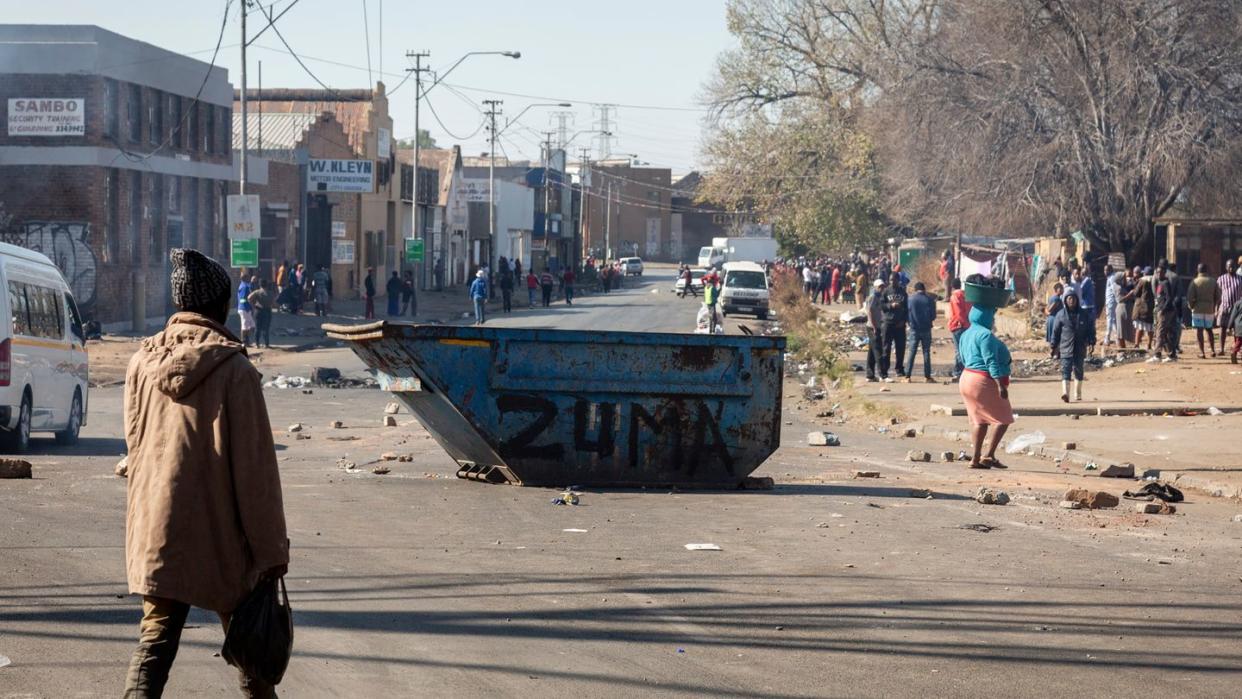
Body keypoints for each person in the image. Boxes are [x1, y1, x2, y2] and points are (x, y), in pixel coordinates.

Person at [123, 248, 288, 696]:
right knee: (253, 651)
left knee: (153, 646)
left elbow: (135, 449)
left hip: (159, 529)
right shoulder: (236, 372)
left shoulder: (141, 364)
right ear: (218, 307)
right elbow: (256, 475)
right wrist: (272, 553)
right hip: (222, 539)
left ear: (180, 305)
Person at [958, 304, 1014, 469]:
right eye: (992, 316)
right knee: (1004, 417)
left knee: (979, 420)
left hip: (966, 377)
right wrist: (1000, 385)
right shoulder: (985, 335)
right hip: (982, 380)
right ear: (986, 317)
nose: (993, 320)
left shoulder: (966, 333)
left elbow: (961, 357)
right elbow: (990, 360)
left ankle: (975, 459)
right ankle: (988, 455)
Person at [1051, 289, 1094, 402]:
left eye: (1073, 298)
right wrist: (1053, 345)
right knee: (1066, 369)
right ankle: (1065, 393)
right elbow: (1056, 332)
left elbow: (1090, 330)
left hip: (1079, 347)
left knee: (1079, 370)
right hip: (1065, 347)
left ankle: (1077, 393)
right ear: (1065, 300)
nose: (1071, 300)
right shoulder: (1060, 315)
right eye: (1069, 298)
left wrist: (1091, 341)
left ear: (1077, 300)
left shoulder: (1084, 314)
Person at [879, 272, 909, 382]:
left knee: (900, 348)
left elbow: (907, 308)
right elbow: (881, 305)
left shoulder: (902, 292)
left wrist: (904, 321)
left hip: (900, 324)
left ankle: (899, 369)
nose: (893, 282)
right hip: (888, 323)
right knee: (886, 348)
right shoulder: (886, 291)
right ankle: (884, 371)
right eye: (891, 280)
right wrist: (890, 305)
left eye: (894, 280)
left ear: (898, 280)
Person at [905, 281, 937, 382]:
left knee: (912, 352)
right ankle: (927, 376)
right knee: (926, 352)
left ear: (915, 289)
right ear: (924, 289)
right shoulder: (930, 299)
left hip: (914, 329)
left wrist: (910, 323)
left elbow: (907, 313)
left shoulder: (910, 299)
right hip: (926, 329)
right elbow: (933, 316)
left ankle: (907, 376)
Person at [1187, 263, 1219, 358]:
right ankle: (1213, 350)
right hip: (1209, 309)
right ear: (1207, 270)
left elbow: (1190, 297)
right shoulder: (1213, 281)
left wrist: (1191, 306)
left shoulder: (1195, 282)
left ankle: (1202, 352)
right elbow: (1218, 296)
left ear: (1198, 270)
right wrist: (1214, 306)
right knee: (1209, 330)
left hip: (1197, 309)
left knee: (1199, 331)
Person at [1150, 264, 1179, 362]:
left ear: (1164, 272)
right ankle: (1171, 355)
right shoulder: (1159, 282)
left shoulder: (1165, 283)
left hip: (1166, 311)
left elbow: (1169, 298)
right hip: (1161, 310)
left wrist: (1163, 309)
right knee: (1166, 333)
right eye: (1157, 272)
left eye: (1160, 272)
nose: (1158, 274)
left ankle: (1157, 355)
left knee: (1160, 332)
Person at [947, 278, 971, 381]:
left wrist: (963, 323)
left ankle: (960, 372)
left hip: (958, 325)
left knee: (959, 350)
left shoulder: (955, 296)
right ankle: (959, 370)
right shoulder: (966, 295)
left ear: (952, 287)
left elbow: (958, 313)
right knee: (964, 349)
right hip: (966, 325)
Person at [1216, 259, 1241, 355]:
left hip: (1237, 309)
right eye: (1229, 266)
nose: (1231, 268)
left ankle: (1236, 349)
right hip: (1224, 307)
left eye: (1233, 266)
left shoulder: (1240, 279)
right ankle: (1221, 349)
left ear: (1236, 267)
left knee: (1237, 330)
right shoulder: (1221, 279)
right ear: (1226, 267)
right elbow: (1217, 295)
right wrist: (1216, 309)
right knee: (1222, 328)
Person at [864, 279, 886, 382]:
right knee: (878, 350)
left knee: (872, 352)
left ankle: (870, 375)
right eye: (880, 287)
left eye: (882, 286)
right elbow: (870, 311)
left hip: (876, 326)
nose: (882, 288)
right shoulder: (873, 297)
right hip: (872, 327)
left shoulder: (879, 297)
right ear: (875, 287)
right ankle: (882, 374)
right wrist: (873, 326)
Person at [247, 279, 273, 350]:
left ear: (260, 284)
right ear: (267, 285)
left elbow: (249, 298)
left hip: (258, 310)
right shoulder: (270, 293)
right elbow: (274, 301)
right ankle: (266, 344)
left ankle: (257, 344)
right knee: (266, 328)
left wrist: (253, 305)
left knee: (258, 328)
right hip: (267, 311)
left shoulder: (257, 292)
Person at [1133, 267, 1154, 351]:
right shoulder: (1155, 280)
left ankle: (1137, 344)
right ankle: (1149, 345)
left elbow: (1136, 293)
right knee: (1150, 328)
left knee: (1140, 327)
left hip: (1142, 307)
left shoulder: (1142, 281)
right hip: (1151, 306)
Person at [236, 274, 255, 348]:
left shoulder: (244, 285)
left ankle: (247, 341)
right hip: (244, 308)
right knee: (244, 326)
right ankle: (243, 341)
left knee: (250, 326)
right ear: (246, 278)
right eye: (248, 277)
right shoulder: (244, 287)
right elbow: (242, 299)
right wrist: (248, 304)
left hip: (246, 308)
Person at [703, 269, 721, 334]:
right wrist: (720, 289)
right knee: (714, 318)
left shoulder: (706, 287)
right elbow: (716, 294)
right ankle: (712, 331)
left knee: (711, 317)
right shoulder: (712, 287)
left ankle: (711, 330)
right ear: (712, 281)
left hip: (708, 303)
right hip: (712, 303)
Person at [1227, 292, 1242, 364]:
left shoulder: (1237, 303)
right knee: (1239, 342)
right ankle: (1234, 351)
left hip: (1237, 325)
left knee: (1237, 341)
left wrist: (1229, 327)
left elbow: (1233, 316)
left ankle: (1234, 354)